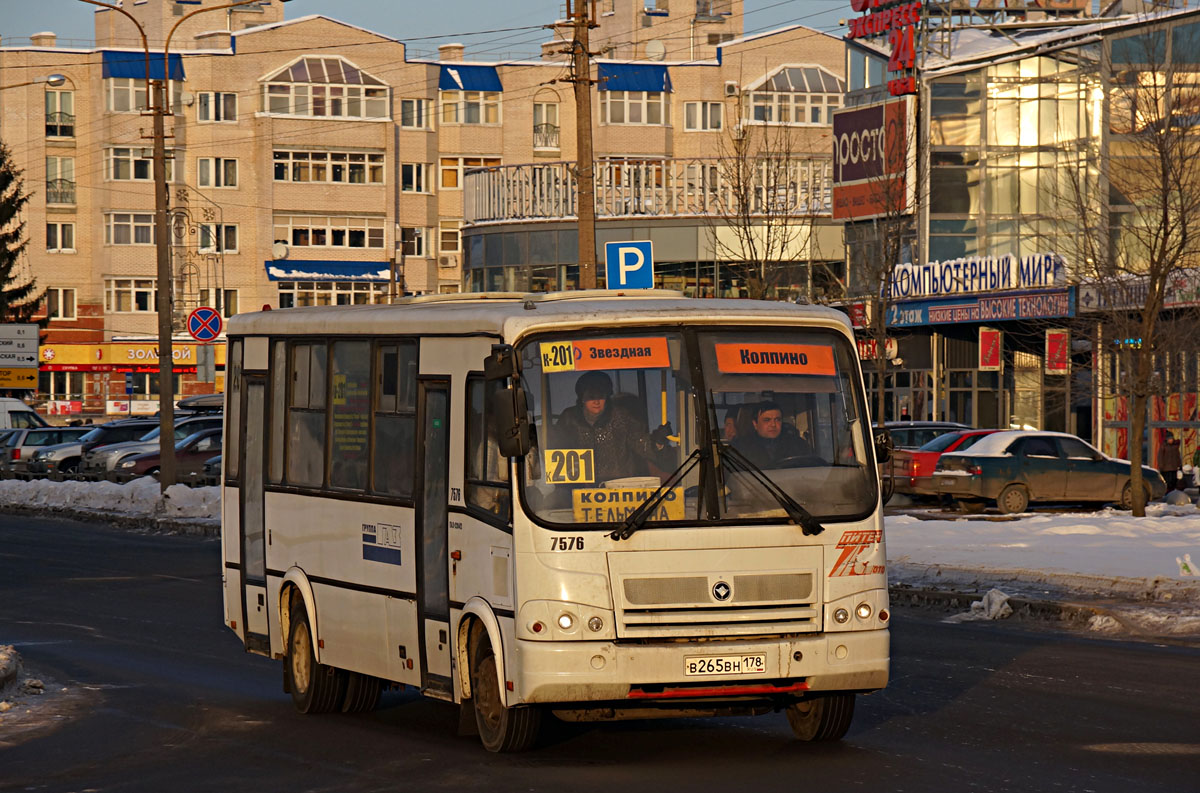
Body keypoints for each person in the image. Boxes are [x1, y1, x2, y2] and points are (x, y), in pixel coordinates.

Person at [554, 371, 671, 483]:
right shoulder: (569, 419)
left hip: (618, 487)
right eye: (591, 396)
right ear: (582, 398)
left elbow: (640, 443)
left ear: (607, 397)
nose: (596, 401)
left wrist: (657, 442)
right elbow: (556, 449)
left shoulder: (622, 417)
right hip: (579, 489)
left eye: (601, 396)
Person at [734, 401, 813, 469]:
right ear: (755, 424)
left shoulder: (798, 445)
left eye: (777, 420)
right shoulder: (739, 449)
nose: (773, 424)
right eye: (767, 420)